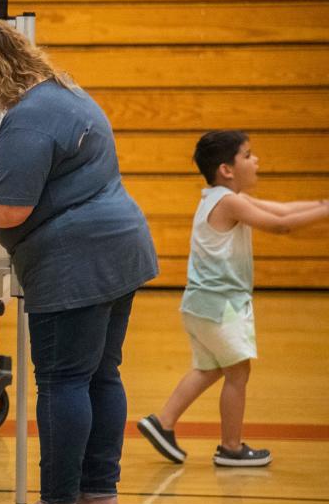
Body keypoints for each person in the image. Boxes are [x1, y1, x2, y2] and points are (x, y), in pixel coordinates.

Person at [0, 17, 158, 504]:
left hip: (75, 262)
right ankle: (98, 498)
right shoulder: (63, 95)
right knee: (100, 375)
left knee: (63, 380)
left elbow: (10, 207)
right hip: (119, 250)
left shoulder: (29, 117)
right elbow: (33, 190)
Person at [138, 130, 329, 467]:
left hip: (201, 305)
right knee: (238, 372)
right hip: (221, 305)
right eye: (248, 155)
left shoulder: (221, 198)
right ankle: (231, 448)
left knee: (209, 368)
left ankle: (162, 422)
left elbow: (283, 209)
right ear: (227, 169)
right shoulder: (228, 201)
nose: (256, 161)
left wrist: (321, 205)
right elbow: (281, 225)